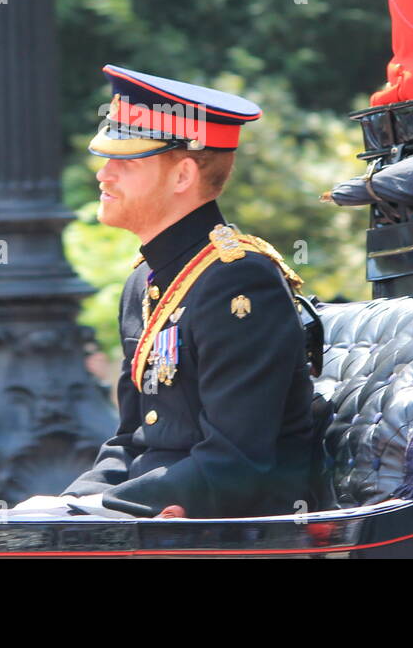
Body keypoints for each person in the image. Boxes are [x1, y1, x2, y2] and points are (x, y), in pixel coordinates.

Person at [21, 65, 316, 519]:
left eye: (126, 161)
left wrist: (102, 510)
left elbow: (236, 463)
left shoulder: (239, 279)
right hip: (163, 517)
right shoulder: (147, 278)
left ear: (182, 177)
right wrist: (67, 507)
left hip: (233, 531)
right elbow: (130, 441)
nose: (104, 174)